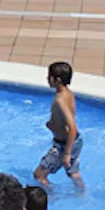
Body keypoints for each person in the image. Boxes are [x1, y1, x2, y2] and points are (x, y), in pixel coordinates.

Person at [33, 61, 83, 192]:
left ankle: (53, 197)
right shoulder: (68, 93)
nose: (47, 79)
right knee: (73, 173)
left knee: (39, 175)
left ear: (58, 80)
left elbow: (72, 127)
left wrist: (66, 153)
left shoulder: (60, 99)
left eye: (49, 76)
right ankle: (82, 194)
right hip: (75, 141)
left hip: (63, 145)